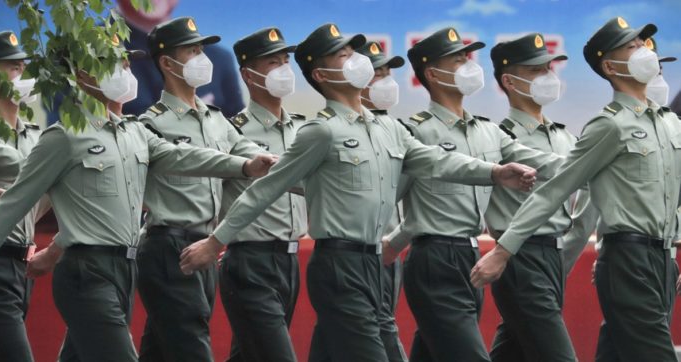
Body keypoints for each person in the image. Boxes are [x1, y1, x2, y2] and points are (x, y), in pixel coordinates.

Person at [179, 23, 537, 361]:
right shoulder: (320, 132)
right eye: (342, 56)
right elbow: (267, 189)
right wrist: (215, 242)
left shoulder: (388, 128)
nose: (356, 61)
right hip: (339, 264)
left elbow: (437, 162)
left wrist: (495, 172)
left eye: (353, 52)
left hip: (373, 263)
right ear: (321, 75)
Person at [0, 35, 274, 362]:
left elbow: (182, 156)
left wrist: (245, 166)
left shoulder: (135, 132)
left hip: (124, 268)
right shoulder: (63, 137)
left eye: (125, 64)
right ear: (83, 76)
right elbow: (15, 203)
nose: (124, 71)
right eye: (111, 64)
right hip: (86, 272)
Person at [471, 17, 681, 361]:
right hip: (627, 260)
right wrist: (503, 250)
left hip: (661, 260)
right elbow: (555, 189)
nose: (644, 51)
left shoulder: (670, 124)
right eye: (632, 46)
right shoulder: (609, 125)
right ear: (611, 66)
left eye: (642, 44)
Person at [384, 28, 564, 362]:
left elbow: (548, 164)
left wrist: (599, 166)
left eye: (467, 58)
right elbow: (389, 195)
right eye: (458, 60)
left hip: (470, 255)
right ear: (433, 74)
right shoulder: (416, 132)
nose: (469, 65)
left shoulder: (489, 132)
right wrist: (385, 246)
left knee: (435, 351)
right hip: (433, 259)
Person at [136, 17, 267, 362]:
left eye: (201, 49)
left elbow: (256, 159)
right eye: (192, 51)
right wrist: (242, 166)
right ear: (166, 62)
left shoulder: (216, 119)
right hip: (170, 247)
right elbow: (183, 158)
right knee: (192, 346)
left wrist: (308, 178)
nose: (202, 58)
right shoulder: (150, 123)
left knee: (164, 349)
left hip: (205, 247)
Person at [482, 32, 597, 362]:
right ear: (510, 81)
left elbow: (589, 195)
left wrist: (565, 257)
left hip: (553, 259)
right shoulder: (499, 140)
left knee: (514, 350)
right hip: (520, 258)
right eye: (536, 71)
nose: (548, 77)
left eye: (549, 68)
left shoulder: (566, 138)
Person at [217, 27, 308, 362]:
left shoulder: (304, 130)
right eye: (273, 62)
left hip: (290, 260)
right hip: (249, 260)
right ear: (248, 74)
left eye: (286, 60)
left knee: (250, 354)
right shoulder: (233, 131)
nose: (285, 69)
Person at [0, 29, 47, 362]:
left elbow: (46, 191)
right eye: (10, 67)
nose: (20, 74)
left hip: (21, 267)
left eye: (21, 67)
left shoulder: (34, 136)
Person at [355, 39, 408, 362]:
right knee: (381, 328)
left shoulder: (396, 130)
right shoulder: (337, 130)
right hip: (356, 251)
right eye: (377, 74)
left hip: (389, 248)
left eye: (388, 73)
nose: (385, 82)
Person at [116, 0, 244, 117]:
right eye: (193, 50)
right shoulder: (101, 54)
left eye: (197, 50)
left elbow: (237, 126)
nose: (198, 54)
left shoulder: (218, 58)